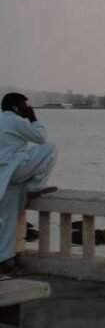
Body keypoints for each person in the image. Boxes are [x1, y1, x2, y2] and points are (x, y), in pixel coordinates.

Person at [0, 93, 59, 275]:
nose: (28, 107)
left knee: (8, 221)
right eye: (25, 105)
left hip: (3, 177)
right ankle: (34, 187)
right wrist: (33, 118)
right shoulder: (15, 121)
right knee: (50, 147)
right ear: (16, 107)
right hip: (14, 170)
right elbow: (40, 138)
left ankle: (5, 262)